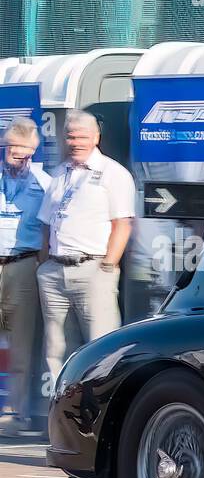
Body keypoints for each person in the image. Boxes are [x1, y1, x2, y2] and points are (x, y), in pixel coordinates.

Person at [36, 110, 135, 391]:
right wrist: (46, 263)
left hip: (93, 269)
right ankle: (59, 412)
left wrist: (107, 267)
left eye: (81, 136)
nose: (75, 141)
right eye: (70, 136)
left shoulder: (113, 173)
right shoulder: (59, 173)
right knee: (56, 347)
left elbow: (123, 224)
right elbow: (46, 223)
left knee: (101, 345)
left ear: (96, 137)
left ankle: (100, 413)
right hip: (55, 270)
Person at [0, 116, 50, 437]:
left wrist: (40, 266)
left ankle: (18, 415)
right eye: (13, 152)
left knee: (21, 345)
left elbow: (49, 231)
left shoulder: (45, 183)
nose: (20, 159)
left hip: (23, 265)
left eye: (26, 153)